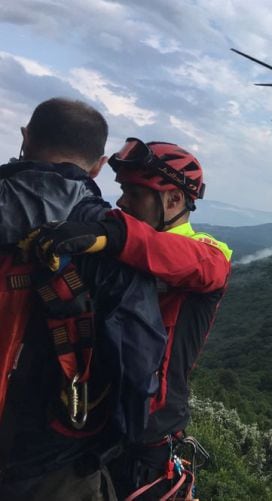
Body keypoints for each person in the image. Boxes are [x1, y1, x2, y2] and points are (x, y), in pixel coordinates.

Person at [33, 138, 232, 498]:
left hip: (147, 445)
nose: (121, 203)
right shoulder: (115, 250)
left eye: (135, 193)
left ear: (173, 200)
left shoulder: (207, 251)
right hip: (88, 428)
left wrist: (113, 234)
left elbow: (201, 266)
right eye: (122, 191)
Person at [0, 98, 168, 500]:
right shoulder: (110, 239)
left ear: (25, 138)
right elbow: (138, 361)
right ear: (98, 164)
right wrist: (109, 445)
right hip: (52, 457)